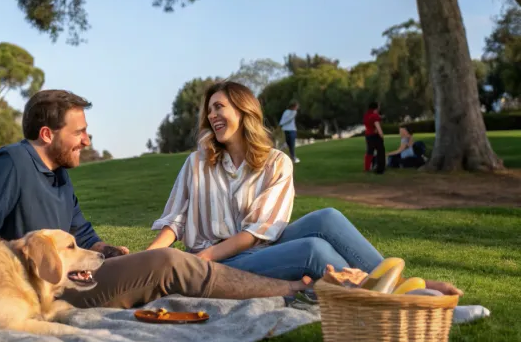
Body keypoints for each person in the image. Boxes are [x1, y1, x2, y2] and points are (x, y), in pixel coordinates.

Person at [0, 89, 313, 309]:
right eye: (80, 133)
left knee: (160, 261)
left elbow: (84, 234)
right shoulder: (11, 164)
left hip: (76, 276)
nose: (87, 141)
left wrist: (108, 251)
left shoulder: (59, 176)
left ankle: (297, 288)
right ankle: (291, 291)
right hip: (42, 290)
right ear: (47, 134)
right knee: (170, 263)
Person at [146, 81, 461, 296]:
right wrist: (148, 259)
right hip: (218, 262)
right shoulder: (197, 163)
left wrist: (206, 256)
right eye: (209, 110)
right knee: (313, 251)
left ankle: (397, 286)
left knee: (327, 217)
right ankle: (401, 295)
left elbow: (259, 231)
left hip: (253, 248)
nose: (212, 115)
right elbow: (175, 220)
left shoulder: (277, 163)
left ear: (243, 112)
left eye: (219, 107)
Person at [363, 102, 385, 174]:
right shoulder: (375, 116)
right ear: (376, 107)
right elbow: (377, 125)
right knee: (380, 151)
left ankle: (367, 167)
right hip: (375, 135)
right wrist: (381, 134)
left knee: (370, 151)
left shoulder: (366, 115)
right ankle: (380, 168)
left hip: (368, 135)